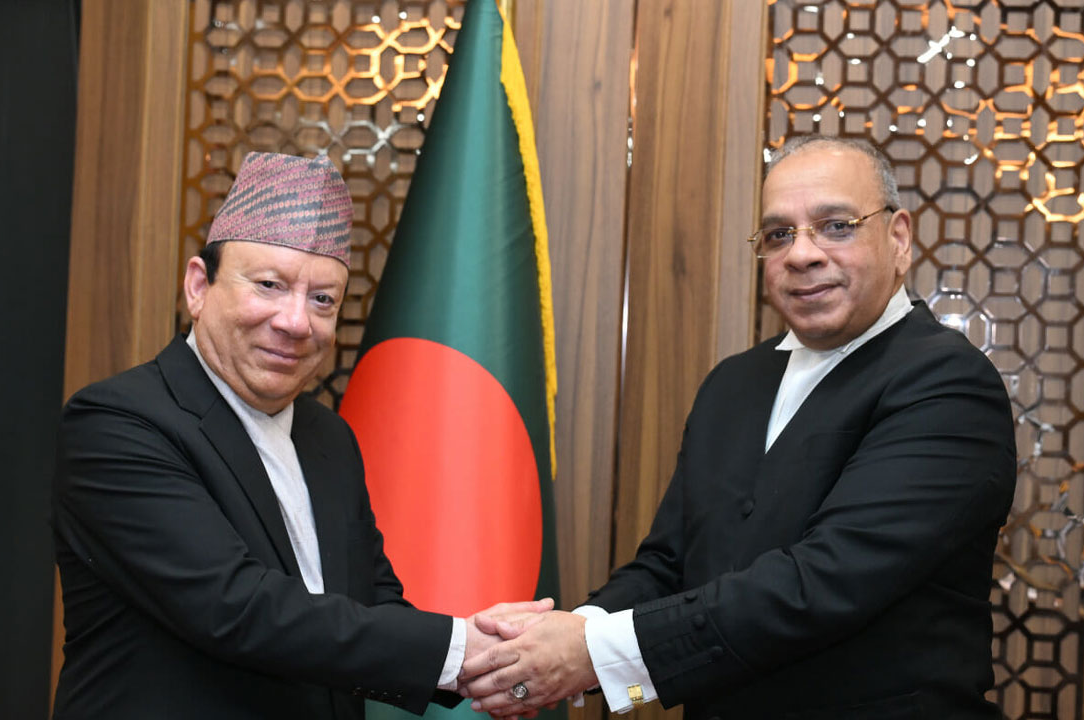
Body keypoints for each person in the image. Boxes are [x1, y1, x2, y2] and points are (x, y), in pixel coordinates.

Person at [460, 135, 1017, 719]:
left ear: (898, 238)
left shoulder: (947, 383)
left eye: (836, 226)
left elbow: (823, 582)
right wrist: (571, 630)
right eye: (779, 235)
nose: (802, 254)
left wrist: (591, 653)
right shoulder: (733, 383)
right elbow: (669, 563)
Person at [51, 152, 548, 720]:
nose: (295, 322)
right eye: (269, 285)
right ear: (198, 286)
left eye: (322, 300)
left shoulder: (328, 437)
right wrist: (460, 653)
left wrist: (496, 663)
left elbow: (373, 603)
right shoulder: (118, 423)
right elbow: (236, 608)